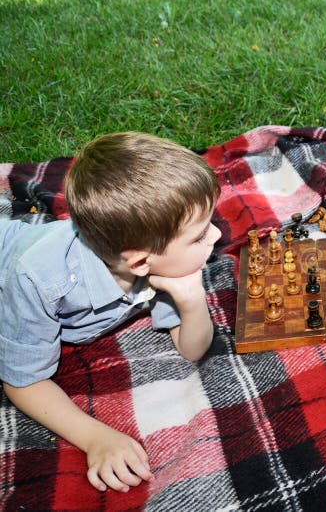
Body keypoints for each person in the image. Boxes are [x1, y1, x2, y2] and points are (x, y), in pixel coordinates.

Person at [0, 132, 222, 492]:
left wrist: (193, 298)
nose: (215, 235)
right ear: (140, 262)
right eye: (198, 236)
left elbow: (192, 348)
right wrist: (95, 438)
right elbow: (23, 381)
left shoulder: (157, 265)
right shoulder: (40, 280)